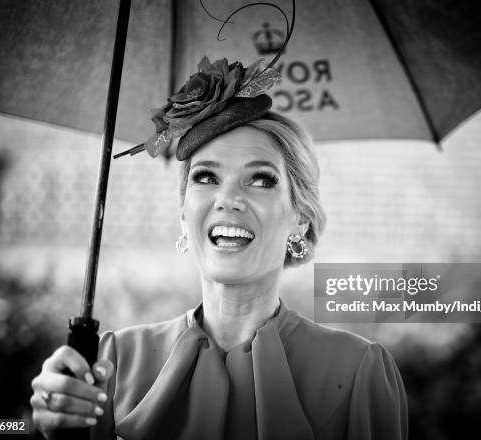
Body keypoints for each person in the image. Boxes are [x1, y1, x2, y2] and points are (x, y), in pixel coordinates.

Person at [30, 55, 408, 440]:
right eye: (206, 176)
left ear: (301, 218)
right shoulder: (110, 363)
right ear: (183, 214)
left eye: (261, 180)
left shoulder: (360, 372)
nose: (228, 199)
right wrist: (50, 434)